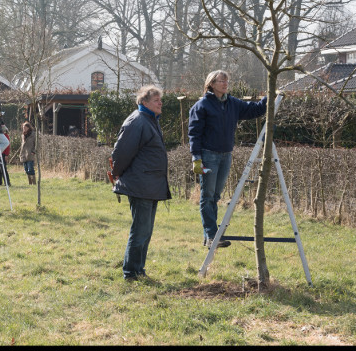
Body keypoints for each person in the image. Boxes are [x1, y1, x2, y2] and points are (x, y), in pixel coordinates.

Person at [188, 70, 267, 249]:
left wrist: (269, 98)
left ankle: (210, 236)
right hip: (208, 155)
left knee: (215, 196)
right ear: (211, 84)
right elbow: (194, 133)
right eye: (221, 80)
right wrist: (196, 158)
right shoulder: (202, 105)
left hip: (226, 155)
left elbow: (256, 110)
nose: (225, 83)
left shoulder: (232, 103)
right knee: (207, 196)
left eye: (226, 81)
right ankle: (211, 235)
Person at [111, 85, 171, 281]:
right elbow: (122, 152)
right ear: (144, 102)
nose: (160, 103)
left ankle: (139, 270)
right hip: (141, 185)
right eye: (156, 100)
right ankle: (131, 273)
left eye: (160, 99)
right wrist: (117, 173)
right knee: (140, 231)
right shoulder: (137, 121)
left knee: (146, 231)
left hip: (151, 184)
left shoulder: (150, 120)